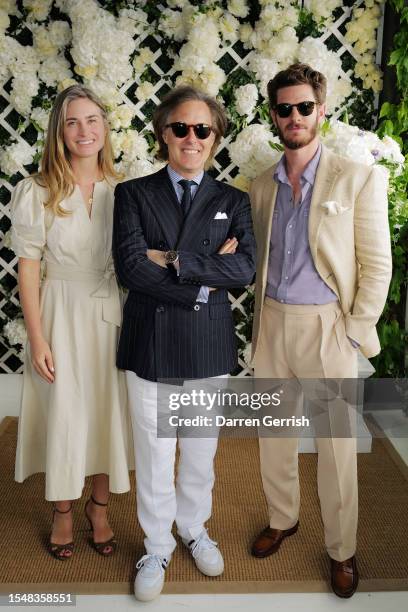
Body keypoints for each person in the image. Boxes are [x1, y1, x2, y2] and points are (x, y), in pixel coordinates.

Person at [249, 63, 392, 598]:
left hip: (328, 328)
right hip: (274, 324)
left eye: (304, 107)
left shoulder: (356, 178)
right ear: (274, 116)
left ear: (321, 111)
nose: (294, 117)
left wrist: (353, 332)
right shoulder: (261, 186)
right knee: (275, 437)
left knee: (334, 446)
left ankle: (342, 548)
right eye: (284, 108)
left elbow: (377, 266)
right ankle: (283, 519)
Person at [113, 85, 256, 601]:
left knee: (199, 451)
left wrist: (173, 261)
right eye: (181, 128)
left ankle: (193, 530)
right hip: (151, 342)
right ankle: (156, 544)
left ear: (215, 137)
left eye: (203, 129)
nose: (191, 138)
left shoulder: (232, 201)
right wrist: (203, 278)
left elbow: (244, 269)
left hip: (207, 343)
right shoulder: (133, 194)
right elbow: (131, 267)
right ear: (163, 133)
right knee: (154, 452)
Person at [10, 84, 133, 560]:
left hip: (110, 314)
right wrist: (37, 336)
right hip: (59, 311)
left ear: (104, 128)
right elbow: (29, 267)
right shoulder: (37, 190)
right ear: (59, 133)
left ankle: (98, 509)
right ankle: (63, 511)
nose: (84, 130)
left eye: (92, 120)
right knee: (66, 412)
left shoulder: (124, 189)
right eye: (72, 122)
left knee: (106, 409)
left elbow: (140, 256)